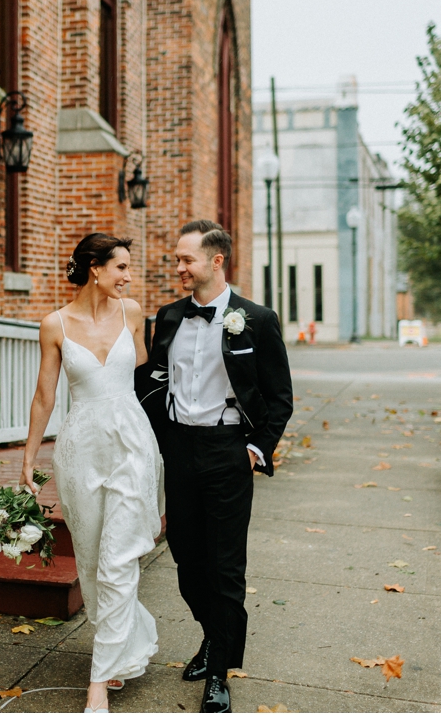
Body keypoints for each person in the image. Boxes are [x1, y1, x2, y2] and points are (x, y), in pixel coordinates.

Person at [135, 220, 293, 713]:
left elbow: (279, 398)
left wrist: (255, 449)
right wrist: (157, 437)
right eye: (177, 260)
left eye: (186, 260)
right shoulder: (168, 316)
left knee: (226, 567)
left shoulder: (257, 319)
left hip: (228, 452)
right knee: (186, 560)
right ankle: (211, 636)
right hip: (179, 451)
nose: (179, 268)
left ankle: (219, 672)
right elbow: (151, 383)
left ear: (216, 261)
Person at [22, 233, 163, 714]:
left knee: (119, 557)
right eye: (120, 267)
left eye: (128, 267)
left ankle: (98, 683)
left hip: (132, 447)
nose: (128, 276)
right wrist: (28, 457)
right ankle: (123, 648)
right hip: (81, 451)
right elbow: (45, 397)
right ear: (93, 268)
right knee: (91, 561)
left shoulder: (133, 313)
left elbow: (143, 375)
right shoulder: (55, 324)